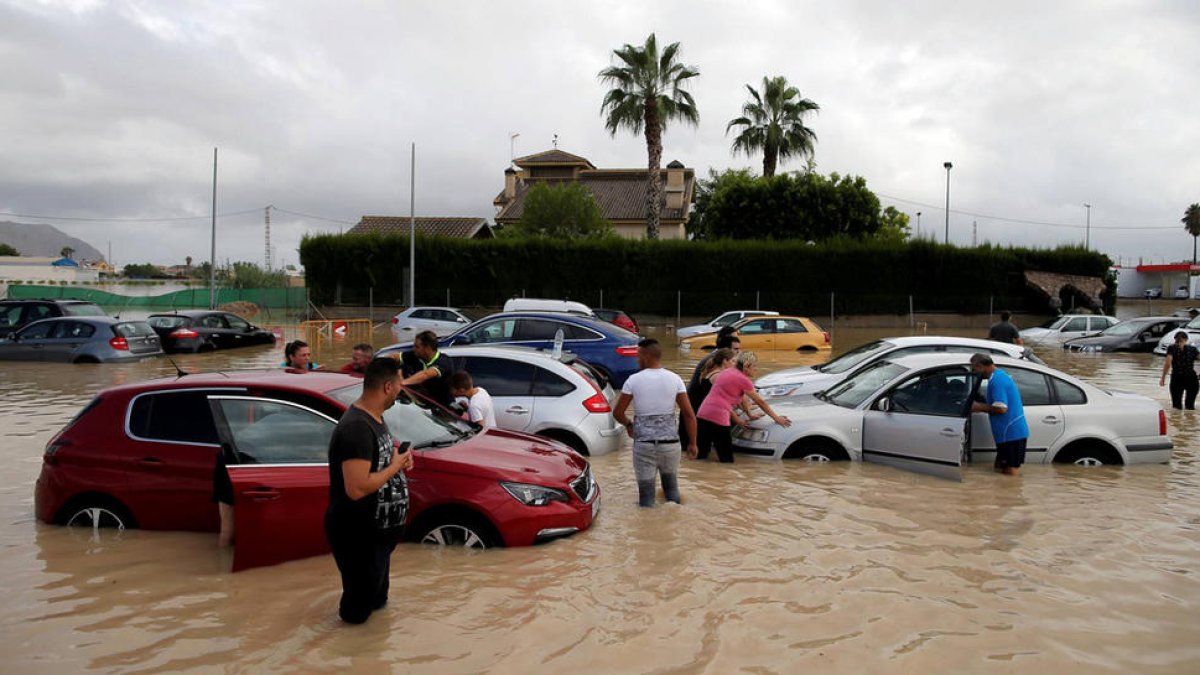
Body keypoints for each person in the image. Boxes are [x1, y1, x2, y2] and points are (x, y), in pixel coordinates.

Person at [325, 357, 413, 625]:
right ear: (387, 387)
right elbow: (357, 487)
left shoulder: (375, 419)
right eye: (400, 384)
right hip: (357, 534)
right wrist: (395, 465)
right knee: (356, 615)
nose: (402, 389)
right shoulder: (357, 428)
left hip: (376, 535)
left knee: (376, 603)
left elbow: (376, 464)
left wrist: (398, 459)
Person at [613, 338, 699, 507]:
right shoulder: (675, 379)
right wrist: (693, 443)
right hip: (670, 445)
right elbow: (689, 415)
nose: (637, 360)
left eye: (638, 356)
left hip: (644, 445)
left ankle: (648, 529)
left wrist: (629, 424)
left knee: (646, 497)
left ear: (646, 356)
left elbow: (618, 413)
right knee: (672, 490)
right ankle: (673, 523)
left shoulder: (633, 380)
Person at [695, 351, 791, 463]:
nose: (756, 369)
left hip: (703, 413)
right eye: (754, 366)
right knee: (726, 460)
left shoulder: (727, 372)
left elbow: (740, 397)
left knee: (701, 455)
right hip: (718, 417)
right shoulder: (744, 380)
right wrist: (777, 418)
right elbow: (760, 401)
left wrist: (749, 414)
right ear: (746, 366)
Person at [970, 353, 1029, 476]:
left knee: (1010, 470)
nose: (975, 373)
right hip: (1007, 433)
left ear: (981, 366)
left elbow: (1001, 409)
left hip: (1011, 433)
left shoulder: (997, 381)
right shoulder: (998, 376)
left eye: (974, 369)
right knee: (1000, 468)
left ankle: (1013, 493)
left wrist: (978, 407)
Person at [680, 348, 735, 445]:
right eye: (733, 361)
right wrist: (739, 420)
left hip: (700, 415)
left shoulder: (711, 371)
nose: (735, 364)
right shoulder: (718, 376)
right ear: (725, 361)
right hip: (706, 417)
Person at [400, 330, 453, 407]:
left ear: (427, 348)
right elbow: (395, 357)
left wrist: (402, 384)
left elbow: (426, 374)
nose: (414, 349)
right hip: (421, 408)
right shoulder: (415, 356)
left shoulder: (444, 361)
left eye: (417, 347)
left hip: (442, 410)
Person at [1160, 331, 1199, 410]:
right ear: (1186, 339)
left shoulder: (1172, 348)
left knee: (1176, 407)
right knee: (1190, 407)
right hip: (1191, 378)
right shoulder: (1193, 349)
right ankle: (1190, 422)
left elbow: (1168, 363)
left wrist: (1163, 378)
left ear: (1175, 339)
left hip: (1177, 378)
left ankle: (1176, 421)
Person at [212, 450, 234, 547]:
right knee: (227, 529)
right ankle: (222, 558)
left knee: (227, 528)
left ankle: (222, 558)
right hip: (230, 466)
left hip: (228, 463)